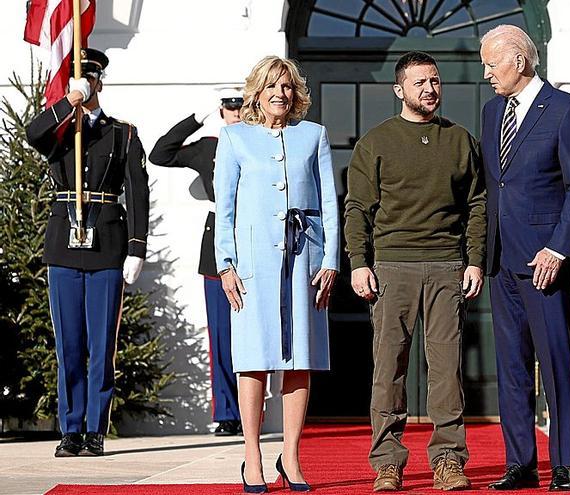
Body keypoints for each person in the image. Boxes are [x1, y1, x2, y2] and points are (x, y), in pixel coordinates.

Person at [344, 51, 486, 492]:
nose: (430, 89)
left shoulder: (460, 140)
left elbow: (478, 205)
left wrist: (476, 260)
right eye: (420, 82)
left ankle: (448, 460)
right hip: (391, 268)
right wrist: (358, 263)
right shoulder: (376, 142)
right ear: (399, 90)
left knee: (446, 371)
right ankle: (387, 462)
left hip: (447, 267)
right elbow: (357, 208)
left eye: (435, 81)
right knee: (389, 369)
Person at [214, 55, 338, 492]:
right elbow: (224, 209)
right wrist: (225, 265)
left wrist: (330, 261)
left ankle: (293, 455)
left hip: (304, 261)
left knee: (299, 358)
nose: (280, 95)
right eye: (272, 87)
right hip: (251, 266)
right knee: (253, 359)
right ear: (257, 93)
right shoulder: (233, 139)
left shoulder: (314, 136)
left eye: (287, 87)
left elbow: (329, 205)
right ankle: (253, 456)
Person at [479, 25, 570, 491]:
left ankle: (562, 463)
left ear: (519, 62)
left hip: (546, 261)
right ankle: (519, 464)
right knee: (512, 367)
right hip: (501, 260)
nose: (486, 73)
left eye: (491, 64)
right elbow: (493, 185)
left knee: (555, 362)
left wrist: (559, 247)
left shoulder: (565, 110)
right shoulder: (490, 113)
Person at [25, 48, 149, 457]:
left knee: (101, 346)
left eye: (91, 79)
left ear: (100, 81)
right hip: (64, 245)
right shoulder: (61, 133)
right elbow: (32, 133)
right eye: (80, 78)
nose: (86, 84)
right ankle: (70, 429)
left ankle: (95, 428)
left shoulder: (123, 133)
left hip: (107, 244)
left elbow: (138, 191)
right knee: (70, 346)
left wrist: (137, 248)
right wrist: (67, 104)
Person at [149, 87, 244, 436]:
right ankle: (229, 413)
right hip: (217, 242)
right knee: (221, 334)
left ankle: (252, 407)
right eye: (230, 107)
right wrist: (197, 118)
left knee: (252, 334)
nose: (237, 113)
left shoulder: (261, 141)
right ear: (222, 111)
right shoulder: (208, 147)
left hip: (254, 241)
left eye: (242, 106)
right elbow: (160, 154)